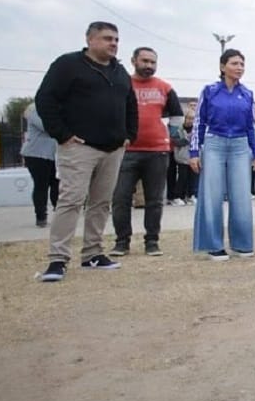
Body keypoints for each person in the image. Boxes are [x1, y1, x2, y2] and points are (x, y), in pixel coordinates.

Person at [34, 21, 138, 282]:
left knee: (101, 203)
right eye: (107, 38)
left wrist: (129, 135)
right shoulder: (68, 65)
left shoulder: (120, 72)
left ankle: (93, 253)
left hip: (113, 148)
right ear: (90, 40)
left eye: (116, 39)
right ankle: (58, 259)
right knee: (71, 200)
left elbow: (130, 104)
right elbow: (45, 99)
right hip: (79, 147)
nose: (113, 43)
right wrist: (63, 134)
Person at [109, 47, 184, 257]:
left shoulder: (165, 88)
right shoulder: (122, 84)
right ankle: (122, 242)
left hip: (157, 152)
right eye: (145, 61)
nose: (149, 65)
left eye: (153, 62)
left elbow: (177, 115)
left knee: (155, 200)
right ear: (134, 61)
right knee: (121, 198)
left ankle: (152, 241)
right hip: (126, 151)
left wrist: (173, 137)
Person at [189, 48, 255, 260]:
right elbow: (199, 122)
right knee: (212, 195)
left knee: (241, 195)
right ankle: (214, 244)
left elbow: (252, 126)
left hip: (240, 145)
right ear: (223, 67)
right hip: (214, 142)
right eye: (234, 63)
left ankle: (241, 243)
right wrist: (194, 151)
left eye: (242, 64)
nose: (239, 68)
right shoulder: (210, 91)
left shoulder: (247, 94)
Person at [21, 102, 59, 228]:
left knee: (56, 182)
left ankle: (59, 212)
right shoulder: (35, 110)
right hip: (35, 154)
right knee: (41, 185)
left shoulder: (56, 108)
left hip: (51, 154)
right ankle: (41, 216)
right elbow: (47, 127)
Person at [167, 110, 194, 205]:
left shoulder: (195, 130)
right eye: (189, 118)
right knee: (182, 177)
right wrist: (186, 140)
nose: (190, 121)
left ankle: (189, 196)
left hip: (192, 158)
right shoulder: (179, 129)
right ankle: (177, 196)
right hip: (181, 157)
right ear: (185, 118)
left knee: (191, 178)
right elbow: (175, 141)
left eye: (192, 119)